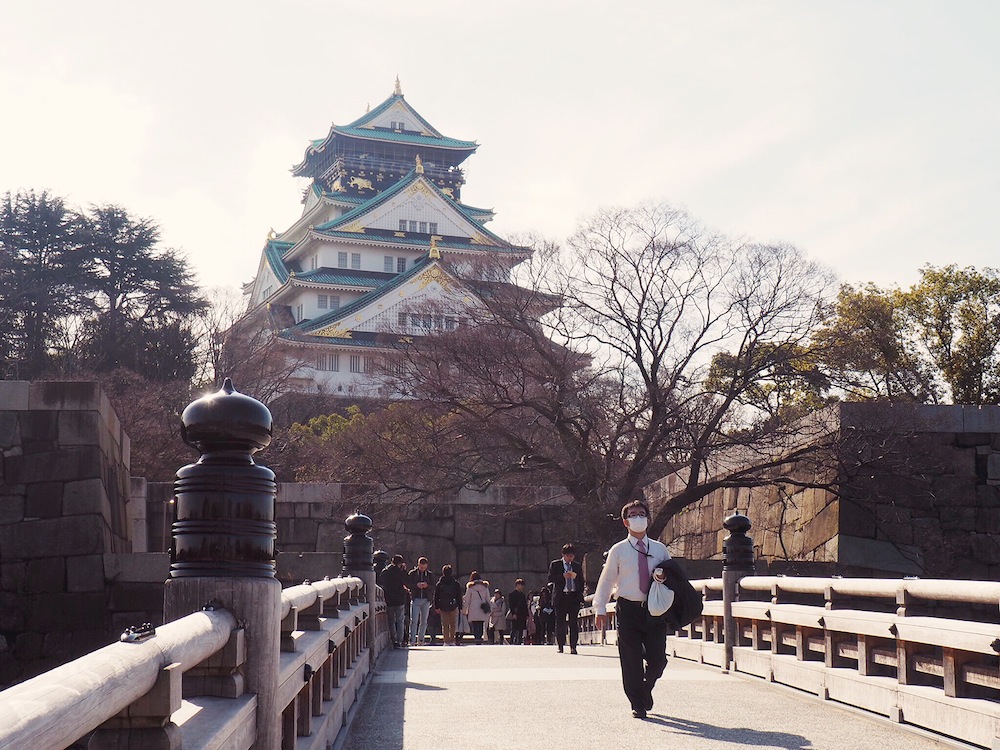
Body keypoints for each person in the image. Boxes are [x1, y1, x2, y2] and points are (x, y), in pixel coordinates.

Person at [593, 498, 672, 719]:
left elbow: (673, 577)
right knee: (631, 658)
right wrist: (600, 607)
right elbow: (607, 580)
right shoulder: (618, 550)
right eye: (633, 515)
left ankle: (645, 689)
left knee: (658, 659)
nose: (638, 518)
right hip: (628, 608)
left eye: (641, 514)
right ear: (626, 522)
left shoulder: (659, 549)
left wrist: (664, 576)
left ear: (647, 519)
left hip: (654, 609)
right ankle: (637, 703)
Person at [547, 543, 584, 653]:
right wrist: (562, 576)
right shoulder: (556, 564)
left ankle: (573, 646)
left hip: (573, 597)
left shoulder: (576, 566)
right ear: (563, 555)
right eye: (568, 556)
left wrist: (579, 590)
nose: (570, 559)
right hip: (561, 596)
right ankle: (561, 645)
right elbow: (550, 578)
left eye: (572, 556)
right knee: (560, 622)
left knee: (573, 622)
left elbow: (581, 581)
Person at [381, 554, 410, 649]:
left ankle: (394, 641)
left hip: (389, 599)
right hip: (400, 599)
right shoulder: (400, 572)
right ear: (401, 563)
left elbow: (382, 581)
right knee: (400, 620)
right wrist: (404, 570)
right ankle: (400, 640)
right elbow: (407, 581)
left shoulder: (385, 572)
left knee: (391, 621)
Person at [408, 556, 437, 646]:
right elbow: (408, 584)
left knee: (424, 621)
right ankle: (412, 639)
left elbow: (434, 587)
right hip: (416, 598)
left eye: (424, 568)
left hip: (426, 599)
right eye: (420, 567)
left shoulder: (429, 575)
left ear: (426, 566)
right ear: (418, 565)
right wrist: (416, 585)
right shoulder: (412, 574)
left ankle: (421, 639)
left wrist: (427, 586)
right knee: (414, 620)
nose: (422, 569)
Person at [433, 564, 462, 646]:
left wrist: (437, 606)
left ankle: (446, 641)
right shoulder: (455, 583)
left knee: (445, 624)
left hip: (443, 605)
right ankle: (452, 640)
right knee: (453, 624)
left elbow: (436, 595)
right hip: (453, 605)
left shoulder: (440, 583)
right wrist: (460, 606)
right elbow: (459, 595)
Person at [462, 570, 491, 644]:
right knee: (481, 623)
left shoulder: (470, 587)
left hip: (473, 608)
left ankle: (476, 637)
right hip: (482, 608)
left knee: (475, 624)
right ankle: (480, 636)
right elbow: (488, 598)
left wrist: (464, 610)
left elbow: (467, 599)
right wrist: (489, 608)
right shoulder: (485, 587)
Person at [506, 579, 529, 644]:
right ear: (517, 585)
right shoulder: (512, 594)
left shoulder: (523, 595)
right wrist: (513, 613)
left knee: (521, 628)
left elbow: (525, 605)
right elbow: (511, 605)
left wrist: (527, 614)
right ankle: (511, 640)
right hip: (516, 613)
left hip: (522, 613)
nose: (522, 587)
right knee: (514, 628)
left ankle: (519, 641)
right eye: (521, 585)